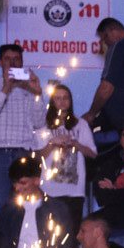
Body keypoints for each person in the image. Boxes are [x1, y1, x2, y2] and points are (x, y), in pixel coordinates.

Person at [0, 44, 46, 202]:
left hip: (23, 152)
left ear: (22, 62)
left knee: (25, 206)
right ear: (0, 62)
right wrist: (6, 88)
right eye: (8, 59)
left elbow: (39, 122)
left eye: (16, 59)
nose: (12, 63)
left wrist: (37, 93)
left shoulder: (30, 88)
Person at [34, 84, 96, 230]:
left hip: (74, 190)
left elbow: (92, 153)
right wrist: (52, 143)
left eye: (65, 98)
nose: (62, 102)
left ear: (70, 101)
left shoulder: (81, 124)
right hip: (49, 189)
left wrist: (76, 143)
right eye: (57, 98)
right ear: (52, 102)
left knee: (72, 233)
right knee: (49, 233)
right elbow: (38, 157)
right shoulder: (44, 126)